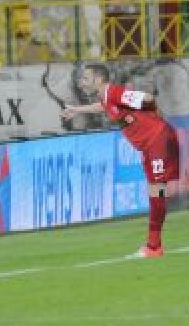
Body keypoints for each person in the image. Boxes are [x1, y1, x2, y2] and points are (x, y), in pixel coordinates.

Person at [62, 64, 180, 258]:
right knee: (156, 191)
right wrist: (77, 109)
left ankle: (154, 247)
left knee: (157, 190)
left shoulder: (114, 92)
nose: (81, 83)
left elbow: (148, 99)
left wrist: (152, 115)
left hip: (157, 139)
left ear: (98, 80)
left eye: (85, 78)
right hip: (150, 143)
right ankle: (154, 246)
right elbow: (105, 106)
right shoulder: (108, 97)